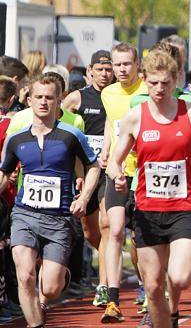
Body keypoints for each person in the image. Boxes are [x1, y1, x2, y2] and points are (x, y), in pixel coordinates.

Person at [107, 51, 191, 328]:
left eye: (166, 83)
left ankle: (173, 306)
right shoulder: (135, 117)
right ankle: (167, 318)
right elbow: (115, 160)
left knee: (181, 276)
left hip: (184, 209)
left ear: (175, 81)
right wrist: (118, 176)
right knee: (153, 286)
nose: (159, 89)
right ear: (145, 81)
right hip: (147, 211)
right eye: (154, 83)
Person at [0, 76, 100, 328]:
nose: (44, 102)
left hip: (59, 218)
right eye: (39, 97)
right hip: (25, 214)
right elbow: (5, 173)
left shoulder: (71, 135)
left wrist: (85, 198)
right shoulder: (17, 138)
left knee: (51, 288)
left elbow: (94, 166)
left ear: (58, 101)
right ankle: (36, 326)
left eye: (50, 98)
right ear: (29, 100)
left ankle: (62, 275)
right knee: (25, 275)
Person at [99, 43, 149, 322]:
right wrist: (107, 148)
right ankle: (113, 299)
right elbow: (111, 122)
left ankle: (148, 289)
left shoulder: (147, 90)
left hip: (145, 173)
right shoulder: (108, 93)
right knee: (115, 230)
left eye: (126, 64)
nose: (121, 70)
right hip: (118, 172)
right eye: (117, 65)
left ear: (137, 64)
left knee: (141, 239)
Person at [61, 49, 114, 307]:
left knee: (106, 225)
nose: (105, 74)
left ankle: (104, 285)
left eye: (109, 69)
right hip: (84, 171)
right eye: (100, 69)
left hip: (109, 171)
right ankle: (108, 255)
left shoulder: (117, 96)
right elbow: (59, 123)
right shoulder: (77, 98)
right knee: (91, 231)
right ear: (89, 71)